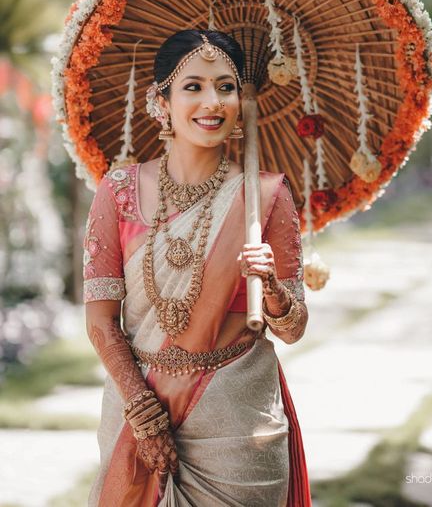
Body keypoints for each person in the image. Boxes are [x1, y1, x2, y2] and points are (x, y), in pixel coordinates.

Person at [83, 29, 312, 506]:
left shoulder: (266, 198)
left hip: (238, 424)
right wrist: (145, 418)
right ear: (160, 99)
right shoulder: (118, 192)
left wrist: (271, 286)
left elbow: (292, 329)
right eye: (193, 86)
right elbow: (101, 322)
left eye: (226, 86)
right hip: (136, 406)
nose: (213, 101)